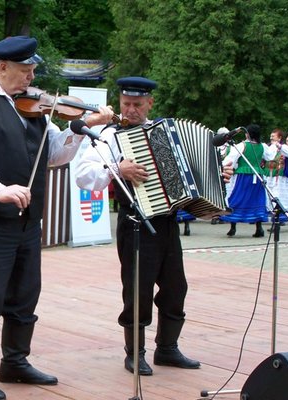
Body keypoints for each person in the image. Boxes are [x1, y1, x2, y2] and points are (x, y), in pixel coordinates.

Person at [0, 36, 114, 400]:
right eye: (25, 70)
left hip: (26, 217)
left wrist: (75, 131)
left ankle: (15, 362)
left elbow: (53, 155)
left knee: (25, 293)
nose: (31, 77)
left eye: (33, 70)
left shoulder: (32, 106)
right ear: (2, 67)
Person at [75, 76, 231, 376]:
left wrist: (215, 178)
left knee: (176, 287)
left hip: (167, 222)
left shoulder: (165, 132)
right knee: (137, 290)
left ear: (150, 103)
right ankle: (135, 353)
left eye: (137, 104)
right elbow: (83, 175)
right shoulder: (110, 136)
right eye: (125, 104)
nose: (130, 110)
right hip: (133, 222)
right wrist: (116, 168)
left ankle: (167, 349)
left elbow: (191, 177)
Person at [220, 124, 276, 237]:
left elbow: (230, 159)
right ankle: (258, 228)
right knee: (257, 199)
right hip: (258, 176)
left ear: (247, 134)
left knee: (237, 197)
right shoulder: (263, 146)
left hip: (244, 176)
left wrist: (221, 165)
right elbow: (270, 157)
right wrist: (275, 146)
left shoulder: (242, 146)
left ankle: (233, 227)